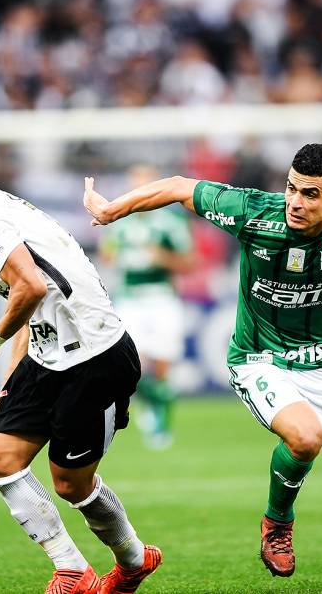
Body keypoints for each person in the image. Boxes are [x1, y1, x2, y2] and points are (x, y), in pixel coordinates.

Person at [83, 143, 322, 594]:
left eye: (309, 194)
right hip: (258, 359)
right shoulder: (254, 211)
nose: (295, 202)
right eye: (291, 189)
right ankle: (277, 522)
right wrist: (113, 211)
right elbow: (176, 187)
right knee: (305, 437)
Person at [0, 141, 162, 594]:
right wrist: (8, 386)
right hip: (49, 355)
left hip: (95, 355)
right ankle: (73, 569)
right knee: (1, 460)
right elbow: (29, 299)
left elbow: (27, 288)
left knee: (71, 485)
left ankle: (132, 560)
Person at [99, 164, 195, 449]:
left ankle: (161, 424)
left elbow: (190, 262)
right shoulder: (120, 222)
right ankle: (150, 408)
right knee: (131, 367)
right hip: (130, 298)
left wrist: (162, 257)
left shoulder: (171, 222)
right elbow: (106, 256)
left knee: (164, 365)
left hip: (162, 297)